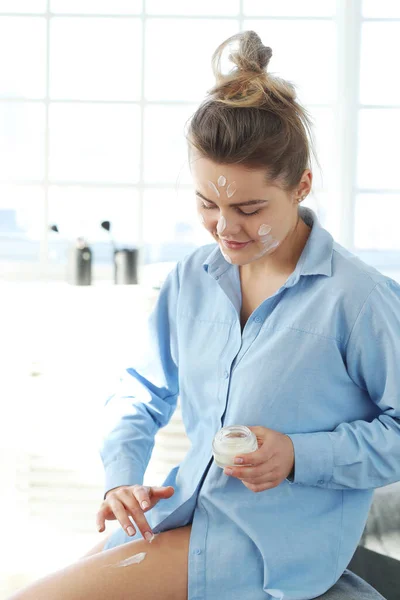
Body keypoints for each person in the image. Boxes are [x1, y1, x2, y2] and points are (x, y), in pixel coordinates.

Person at [9, 30, 398, 600]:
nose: (224, 227)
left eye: (248, 208)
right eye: (206, 203)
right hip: (185, 509)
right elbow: (140, 391)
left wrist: (298, 455)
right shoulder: (193, 278)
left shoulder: (360, 301)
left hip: (268, 545)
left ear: (302, 186)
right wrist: (123, 476)